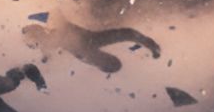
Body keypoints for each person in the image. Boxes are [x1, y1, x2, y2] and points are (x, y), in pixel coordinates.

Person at [22, 18, 161, 74]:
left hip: (89, 42)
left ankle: (151, 45)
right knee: (114, 63)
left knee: (125, 34)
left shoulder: (54, 32)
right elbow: (46, 55)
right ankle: (151, 45)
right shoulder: (46, 43)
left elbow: (46, 54)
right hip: (85, 49)